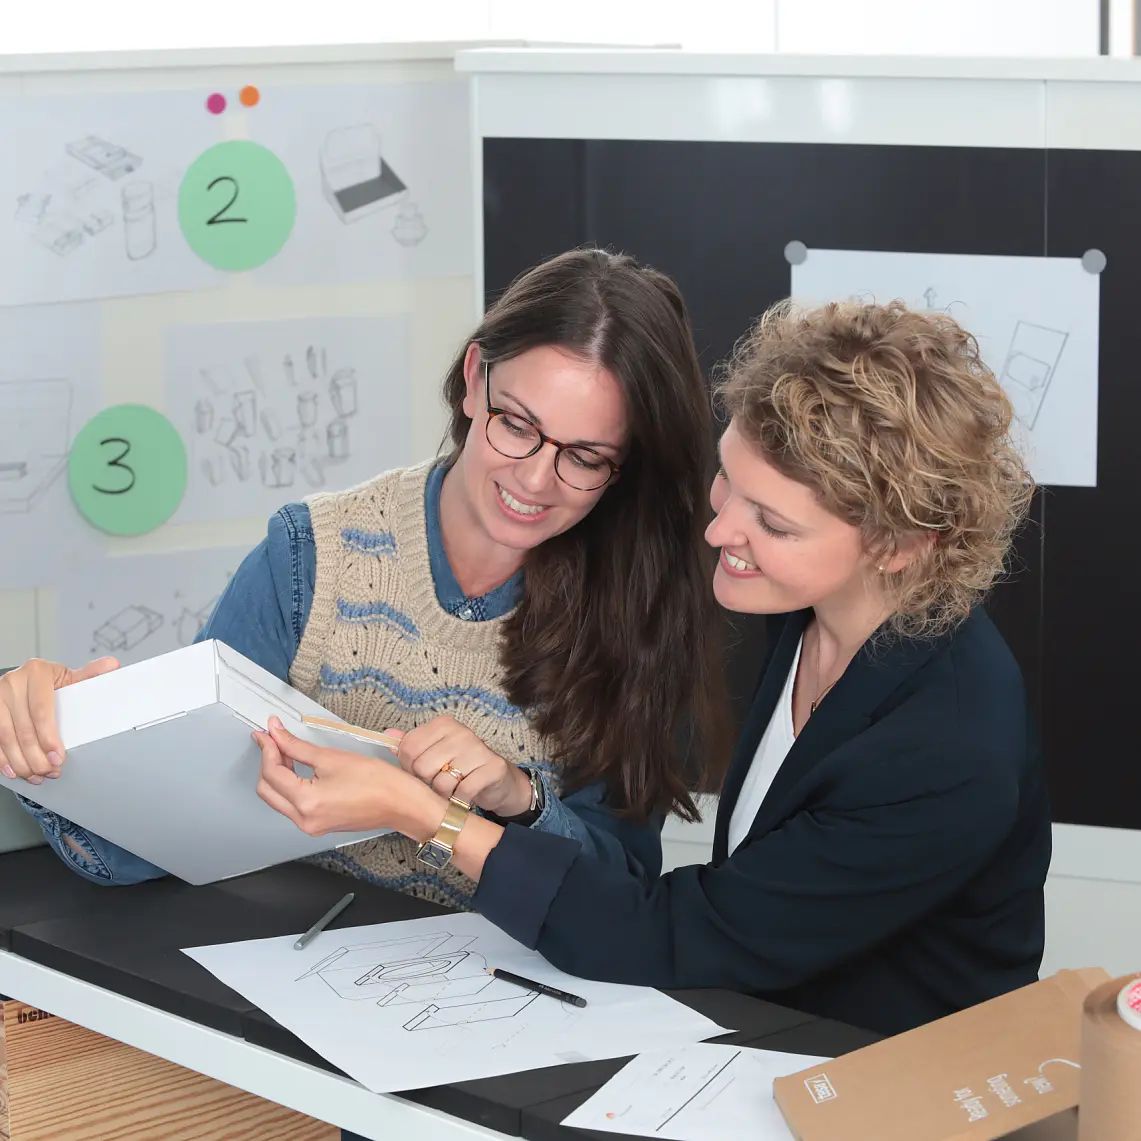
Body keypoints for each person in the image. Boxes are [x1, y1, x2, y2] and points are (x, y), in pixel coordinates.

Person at [248, 298, 1051, 1036]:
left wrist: (424, 814)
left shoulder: (946, 748)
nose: (718, 531)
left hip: (885, 1084)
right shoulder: (807, 612)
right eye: (727, 483)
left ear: (901, 545)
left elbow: (676, 931)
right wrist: (513, 796)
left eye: (769, 521)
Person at [0, 247, 728, 908]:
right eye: (517, 424)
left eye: (585, 457)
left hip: (499, 1007)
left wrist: (519, 797)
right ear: (475, 380)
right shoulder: (310, 557)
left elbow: (622, 894)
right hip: (283, 971)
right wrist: (47, 731)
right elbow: (155, 838)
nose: (535, 479)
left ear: (623, 463)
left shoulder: (640, 603)